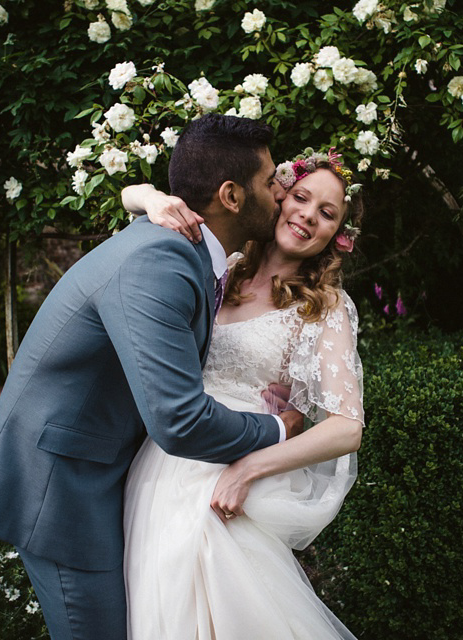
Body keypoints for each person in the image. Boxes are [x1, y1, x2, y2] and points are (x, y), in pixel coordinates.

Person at [0, 114, 306, 640]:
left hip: (95, 467)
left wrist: (140, 194)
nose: (281, 192)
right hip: (58, 486)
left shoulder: (179, 242)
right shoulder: (161, 262)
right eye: (270, 180)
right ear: (231, 196)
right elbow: (181, 421)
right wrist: (280, 428)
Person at [120, 148, 365, 639]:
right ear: (278, 197)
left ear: (337, 235)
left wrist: (248, 468)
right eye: (300, 198)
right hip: (163, 463)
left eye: (326, 213)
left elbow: (346, 428)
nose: (307, 216)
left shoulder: (326, 307)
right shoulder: (221, 267)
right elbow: (128, 198)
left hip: (231, 474)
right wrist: (151, 197)